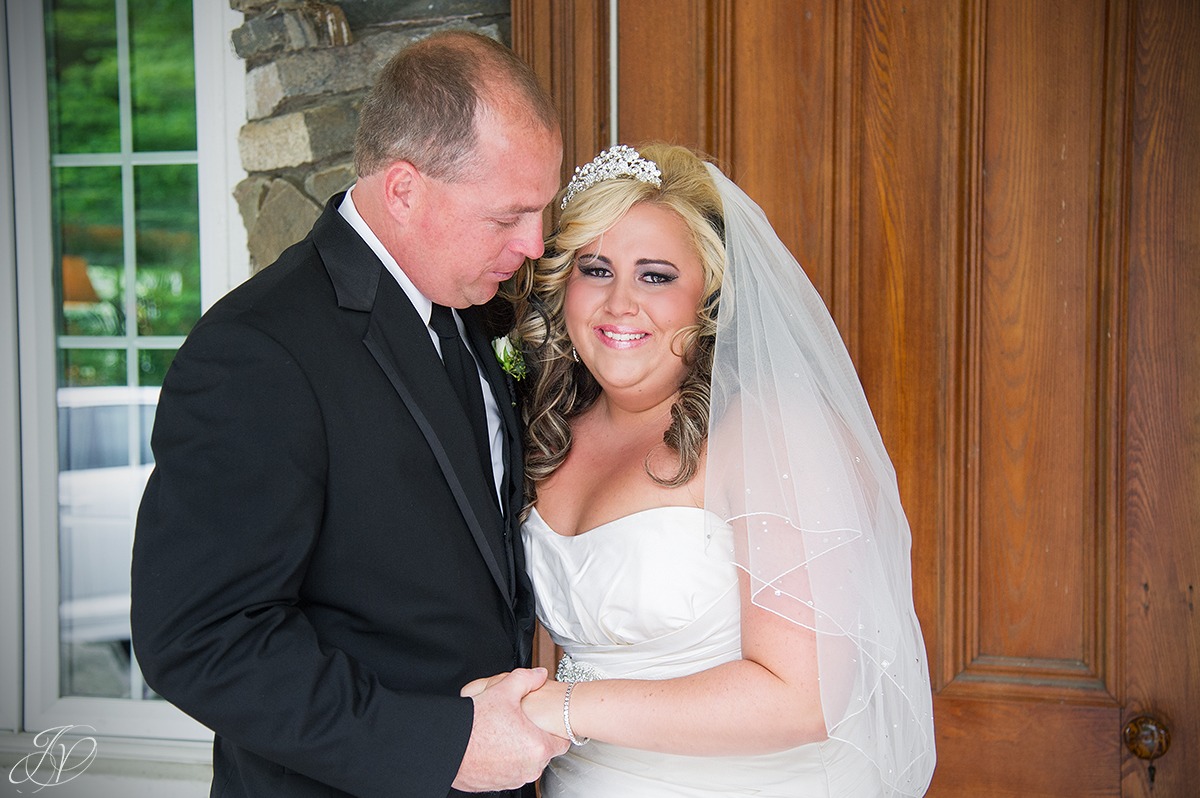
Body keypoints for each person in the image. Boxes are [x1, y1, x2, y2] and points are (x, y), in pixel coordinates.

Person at [130, 30, 567, 797]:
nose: (533, 244)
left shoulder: (465, 307)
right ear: (404, 189)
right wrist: (444, 747)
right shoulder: (258, 352)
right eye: (508, 217)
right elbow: (200, 639)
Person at [484, 143, 937, 796]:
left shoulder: (770, 434)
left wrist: (559, 708)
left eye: (656, 275)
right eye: (596, 268)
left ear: (709, 294)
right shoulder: (548, 435)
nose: (619, 303)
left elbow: (803, 698)